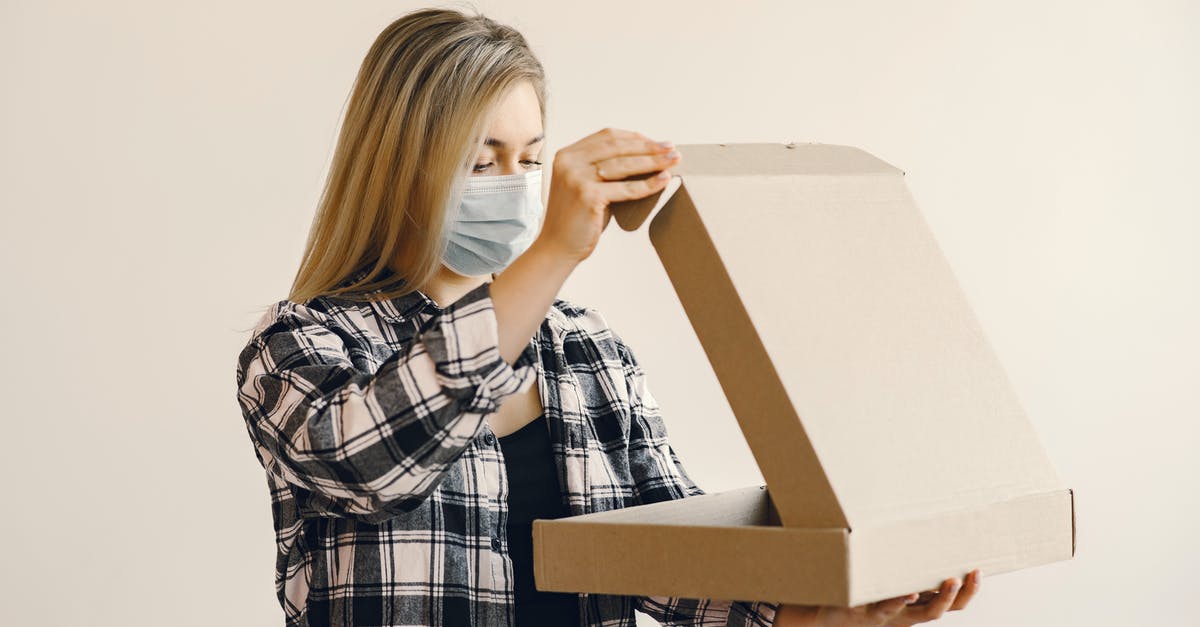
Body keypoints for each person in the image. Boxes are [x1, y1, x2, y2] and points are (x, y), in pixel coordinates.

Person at [234, 7, 981, 627]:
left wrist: (822, 611)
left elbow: (672, 558)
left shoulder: (588, 350)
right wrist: (556, 250)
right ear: (398, 162)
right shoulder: (300, 343)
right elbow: (375, 466)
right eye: (480, 158)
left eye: (529, 158)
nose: (513, 182)